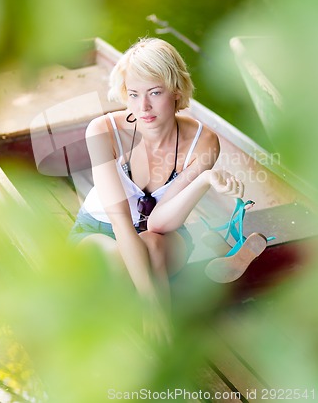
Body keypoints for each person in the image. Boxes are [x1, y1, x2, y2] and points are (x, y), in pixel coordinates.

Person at [69, 37, 244, 343]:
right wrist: (153, 305)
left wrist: (203, 181)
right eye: (133, 94)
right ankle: (158, 310)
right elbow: (122, 221)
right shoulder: (103, 131)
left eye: (154, 93)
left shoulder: (202, 143)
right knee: (116, 261)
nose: (143, 107)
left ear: (176, 91)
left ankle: (145, 318)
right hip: (101, 230)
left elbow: (159, 223)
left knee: (153, 243)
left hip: (163, 236)